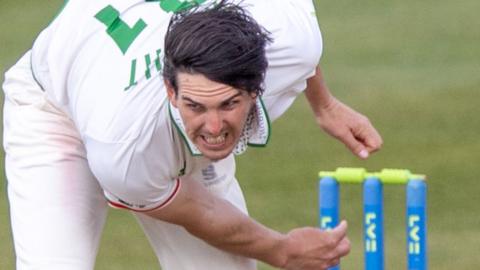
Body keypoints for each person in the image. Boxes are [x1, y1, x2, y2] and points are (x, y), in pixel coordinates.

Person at [2, 0, 382, 269]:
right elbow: (198, 211)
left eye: (229, 104)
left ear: (257, 85)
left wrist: (325, 105)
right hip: (52, 108)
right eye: (196, 106)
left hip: (138, 111)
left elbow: (303, 59)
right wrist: (281, 250)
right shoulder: (126, 147)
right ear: (172, 90)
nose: (215, 130)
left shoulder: (292, 38)